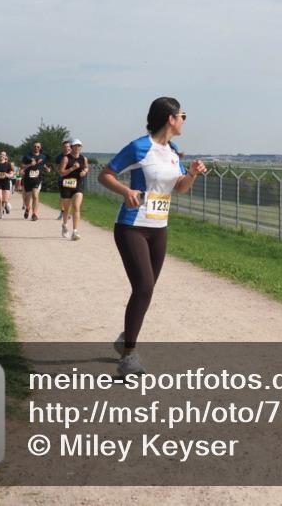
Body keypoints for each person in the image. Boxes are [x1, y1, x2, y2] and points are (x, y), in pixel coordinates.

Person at [99, 97, 206, 376]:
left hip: (159, 229)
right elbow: (105, 174)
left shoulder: (173, 151)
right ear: (170, 118)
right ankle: (129, 357)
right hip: (132, 226)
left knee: (146, 291)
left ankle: (125, 339)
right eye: (183, 115)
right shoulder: (139, 147)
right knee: (144, 286)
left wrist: (192, 173)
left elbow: (180, 187)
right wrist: (126, 192)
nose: (184, 120)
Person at [58, 139, 88, 240]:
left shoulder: (83, 158)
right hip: (66, 185)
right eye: (75, 145)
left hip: (78, 185)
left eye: (79, 145)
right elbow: (61, 172)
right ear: (71, 147)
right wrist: (72, 168)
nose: (77, 147)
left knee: (76, 206)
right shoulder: (66, 159)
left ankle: (75, 231)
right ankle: (64, 225)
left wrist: (84, 172)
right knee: (67, 209)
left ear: (81, 147)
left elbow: (86, 168)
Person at [20, 141, 50, 221]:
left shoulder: (43, 157)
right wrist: (30, 164)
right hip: (28, 179)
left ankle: (34, 214)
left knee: (35, 196)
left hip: (37, 179)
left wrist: (47, 168)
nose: (36, 148)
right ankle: (27, 208)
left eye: (38, 147)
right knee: (27, 198)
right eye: (35, 146)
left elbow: (44, 164)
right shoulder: (27, 156)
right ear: (32, 147)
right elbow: (22, 166)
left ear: (40, 148)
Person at [0, 151, 15, 218]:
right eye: (1, 154)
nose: (2, 156)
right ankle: (1, 213)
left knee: (5, 200)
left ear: (5, 157)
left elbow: (12, 173)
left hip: (6, 183)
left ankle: (6, 206)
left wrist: (8, 175)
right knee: (0, 197)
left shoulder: (8, 164)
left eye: (4, 155)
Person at [54, 140, 72, 219]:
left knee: (70, 196)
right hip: (62, 178)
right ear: (62, 148)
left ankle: (67, 212)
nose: (66, 148)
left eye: (68, 146)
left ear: (70, 147)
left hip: (72, 178)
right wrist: (60, 171)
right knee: (63, 196)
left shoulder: (73, 156)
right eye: (65, 147)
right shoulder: (59, 157)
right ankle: (62, 211)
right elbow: (57, 167)